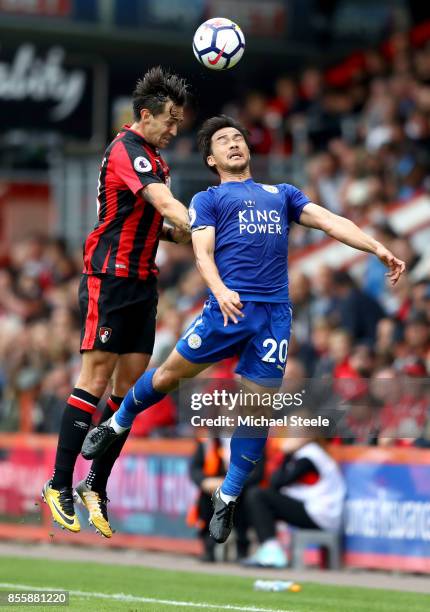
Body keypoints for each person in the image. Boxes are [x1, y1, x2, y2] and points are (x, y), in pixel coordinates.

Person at [82, 114, 405, 545]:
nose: (234, 143)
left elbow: (330, 220)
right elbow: (202, 251)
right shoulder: (208, 199)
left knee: (257, 410)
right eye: (223, 140)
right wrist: (219, 290)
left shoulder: (281, 194)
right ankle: (116, 423)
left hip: (273, 316)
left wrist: (378, 247)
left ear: (248, 150)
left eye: (238, 137)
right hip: (227, 310)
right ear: (211, 158)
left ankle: (229, 496)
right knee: (169, 374)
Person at [42, 66, 191, 537]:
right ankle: (58, 483)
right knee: (96, 377)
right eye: (168, 121)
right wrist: (204, 224)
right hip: (109, 279)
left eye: (177, 123)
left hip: (143, 284)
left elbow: (153, 221)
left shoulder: (154, 156)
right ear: (145, 115)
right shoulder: (129, 150)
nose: (173, 130)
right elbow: (165, 205)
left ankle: (95, 483)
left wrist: (182, 236)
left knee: (128, 393)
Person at [243, 435, 345, 568]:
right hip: (317, 511)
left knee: (257, 495)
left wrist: (286, 454)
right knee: (259, 499)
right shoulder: (307, 453)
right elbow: (276, 481)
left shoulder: (309, 455)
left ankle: (272, 550)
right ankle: (269, 548)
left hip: (321, 515)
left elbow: (277, 483)